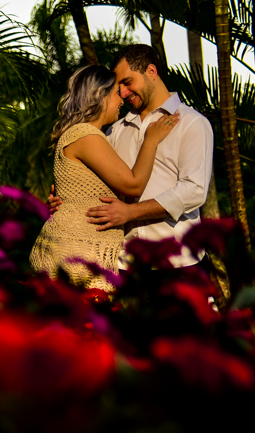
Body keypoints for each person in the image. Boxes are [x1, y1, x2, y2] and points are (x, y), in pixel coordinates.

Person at [49, 44, 214, 279]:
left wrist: (131, 212)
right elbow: (94, 184)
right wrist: (65, 201)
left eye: (127, 82)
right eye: (119, 87)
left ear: (151, 72)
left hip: (178, 263)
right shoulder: (113, 131)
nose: (123, 93)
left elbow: (194, 191)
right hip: (124, 265)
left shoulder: (192, 122)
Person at [29, 64, 179, 290]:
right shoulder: (85, 134)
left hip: (76, 250)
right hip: (75, 255)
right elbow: (133, 185)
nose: (122, 100)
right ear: (101, 97)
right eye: (117, 94)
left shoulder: (87, 135)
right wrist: (151, 140)